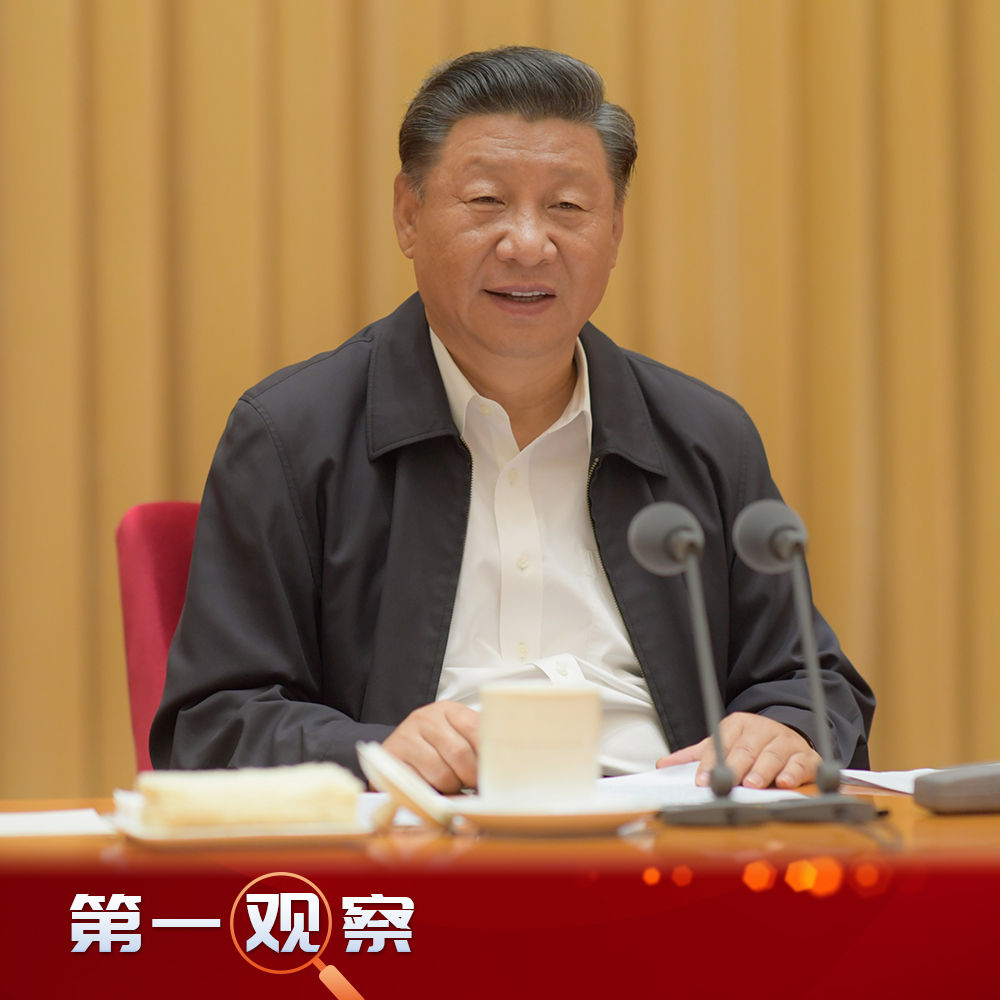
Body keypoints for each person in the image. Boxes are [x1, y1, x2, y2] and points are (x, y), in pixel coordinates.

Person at [150, 46, 873, 792]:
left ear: (615, 230)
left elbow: (812, 684)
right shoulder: (292, 437)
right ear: (408, 215)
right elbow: (213, 723)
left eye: (568, 208)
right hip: (425, 832)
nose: (528, 243)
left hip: (668, 829)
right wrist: (376, 753)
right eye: (487, 201)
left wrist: (785, 727)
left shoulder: (705, 437)